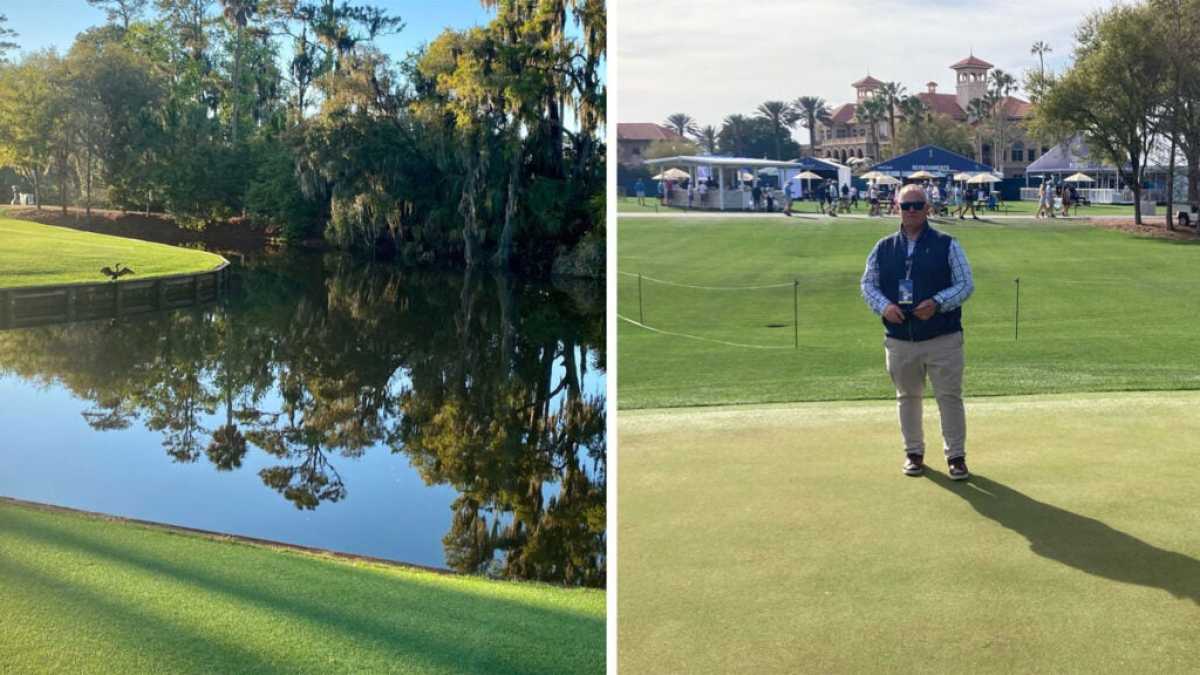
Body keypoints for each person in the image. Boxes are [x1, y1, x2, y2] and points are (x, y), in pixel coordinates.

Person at [860, 183, 976, 480]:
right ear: (896, 207)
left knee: (948, 398)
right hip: (900, 338)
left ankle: (956, 457)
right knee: (907, 398)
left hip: (943, 336)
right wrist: (884, 307)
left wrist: (938, 303)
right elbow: (868, 284)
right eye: (906, 205)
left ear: (928, 208)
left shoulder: (948, 243)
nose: (911, 210)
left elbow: (965, 284)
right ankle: (913, 453)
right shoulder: (883, 247)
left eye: (917, 205)